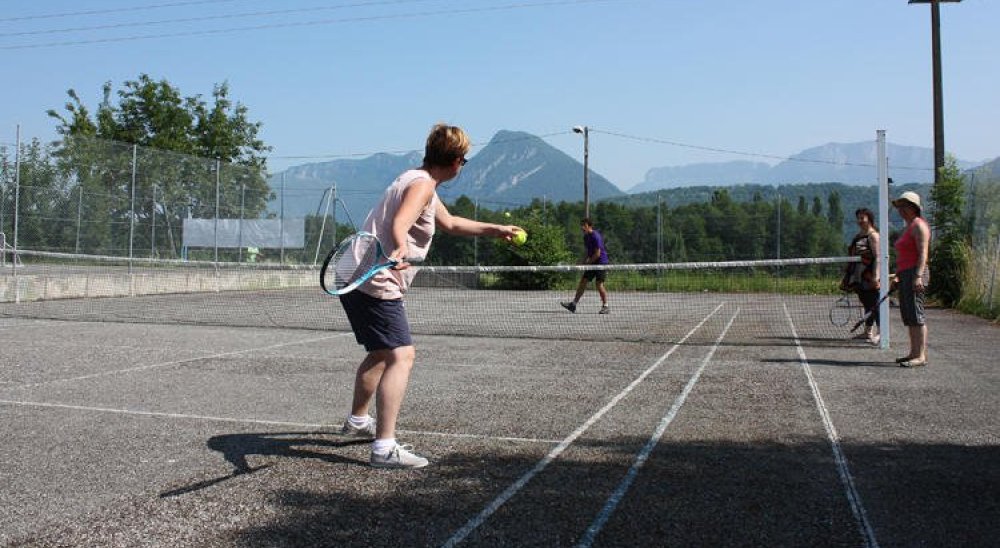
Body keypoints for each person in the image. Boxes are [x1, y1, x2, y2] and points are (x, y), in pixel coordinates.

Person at [338, 123, 522, 468]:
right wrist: (397, 249)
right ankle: (384, 448)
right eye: (464, 160)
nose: (463, 166)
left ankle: (359, 421)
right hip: (377, 280)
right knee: (402, 356)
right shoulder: (422, 185)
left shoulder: (417, 179)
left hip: (355, 275)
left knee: (381, 352)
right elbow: (399, 224)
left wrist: (495, 230)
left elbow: (450, 223)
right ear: (454, 161)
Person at [892, 191, 930, 368]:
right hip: (905, 273)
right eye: (900, 206)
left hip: (915, 273)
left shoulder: (918, 226)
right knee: (909, 315)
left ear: (914, 207)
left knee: (916, 314)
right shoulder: (907, 227)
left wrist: (918, 276)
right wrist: (898, 275)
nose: (901, 210)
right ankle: (913, 352)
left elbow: (923, 254)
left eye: (905, 206)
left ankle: (920, 355)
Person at [845, 208, 881, 344]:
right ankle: (868, 332)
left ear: (869, 219)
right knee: (867, 304)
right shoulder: (859, 236)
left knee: (875, 304)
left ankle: (882, 333)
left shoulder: (873, 236)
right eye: (858, 218)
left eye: (862, 218)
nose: (859, 221)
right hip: (858, 276)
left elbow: (878, 257)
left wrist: (876, 277)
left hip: (869, 276)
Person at [560, 217, 610, 314]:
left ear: (589, 226)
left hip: (601, 263)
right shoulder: (586, 237)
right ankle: (573, 305)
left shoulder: (596, 236)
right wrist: (581, 262)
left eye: (584, 225)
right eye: (581, 225)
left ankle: (605, 306)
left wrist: (587, 263)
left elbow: (597, 254)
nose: (582, 227)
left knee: (599, 284)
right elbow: (588, 252)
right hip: (593, 262)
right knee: (583, 281)